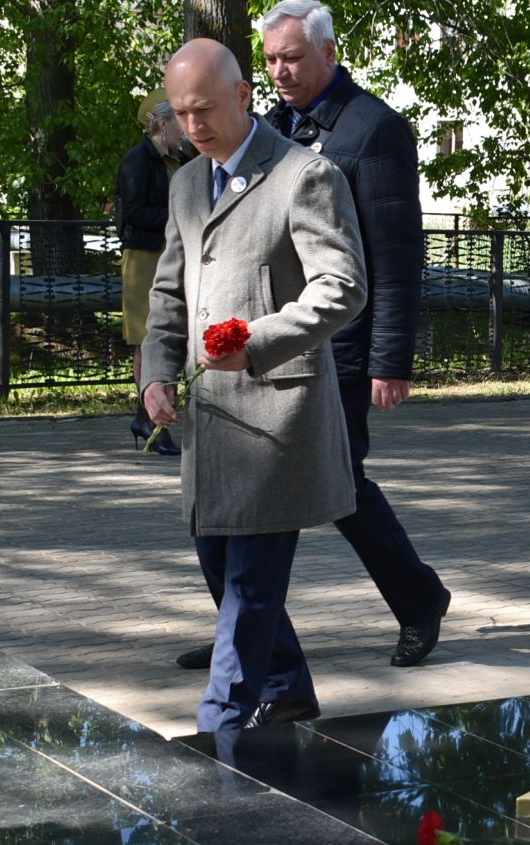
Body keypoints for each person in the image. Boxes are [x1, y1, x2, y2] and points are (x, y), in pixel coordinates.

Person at [177, 0, 450, 674]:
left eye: (293, 57)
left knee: (337, 484)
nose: (281, 71)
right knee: (273, 490)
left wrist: (392, 359)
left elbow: (394, 252)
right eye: (270, 60)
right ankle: (250, 631)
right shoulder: (271, 127)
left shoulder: (374, 129)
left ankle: (414, 601)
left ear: (330, 53)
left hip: (344, 347)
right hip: (278, 350)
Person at [139, 39, 367, 732]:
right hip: (211, 430)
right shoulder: (186, 183)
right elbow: (169, 295)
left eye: (204, 108)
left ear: (242, 96)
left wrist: (256, 339)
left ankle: (220, 728)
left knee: (246, 587)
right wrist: (154, 374)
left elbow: (344, 287)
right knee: (222, 567)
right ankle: (288, 686)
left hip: (277, 422)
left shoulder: (305, 175)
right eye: (180, 114)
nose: (193, 125)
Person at [120, 98, 191, 455]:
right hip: (145, 259)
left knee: (174, 337)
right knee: (146, 340)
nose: (187, 127)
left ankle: (149, 418)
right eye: (180, 119)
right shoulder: (138, 159)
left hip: (174, 255)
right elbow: (131, 212)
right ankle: (153, 422)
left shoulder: (185, 160)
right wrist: (178, 218)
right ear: (162, 124)